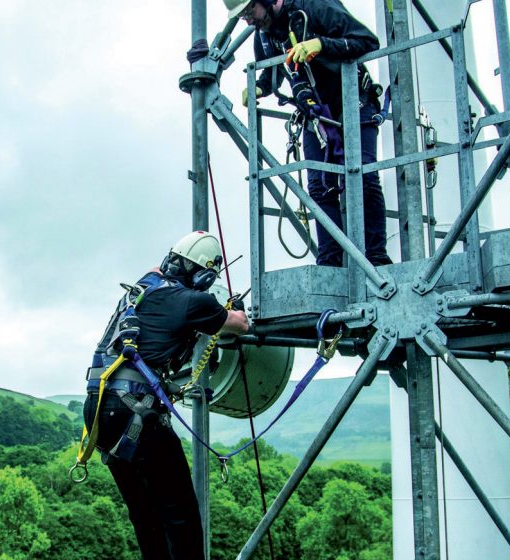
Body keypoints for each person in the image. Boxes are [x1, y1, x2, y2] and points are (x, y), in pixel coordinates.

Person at [83, 231, 249, 560]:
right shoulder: (194, 302)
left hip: (100, 409)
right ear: (202, 275)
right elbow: (240, 324)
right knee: (181, 516)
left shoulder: (141, 288)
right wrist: (231, 308)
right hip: (138, 413)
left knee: (145, 517)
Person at [227, 0, 392, 268]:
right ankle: (331, 260)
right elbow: (271, 73)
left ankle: (376, 257)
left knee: (363, 177)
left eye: (249, 12)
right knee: (319, 187)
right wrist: (259, 87)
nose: (248, 20)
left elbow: (366, 41)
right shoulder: (266, 36)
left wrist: (322, 45)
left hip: (353, 102)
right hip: (316, 114)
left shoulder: (314, 7)